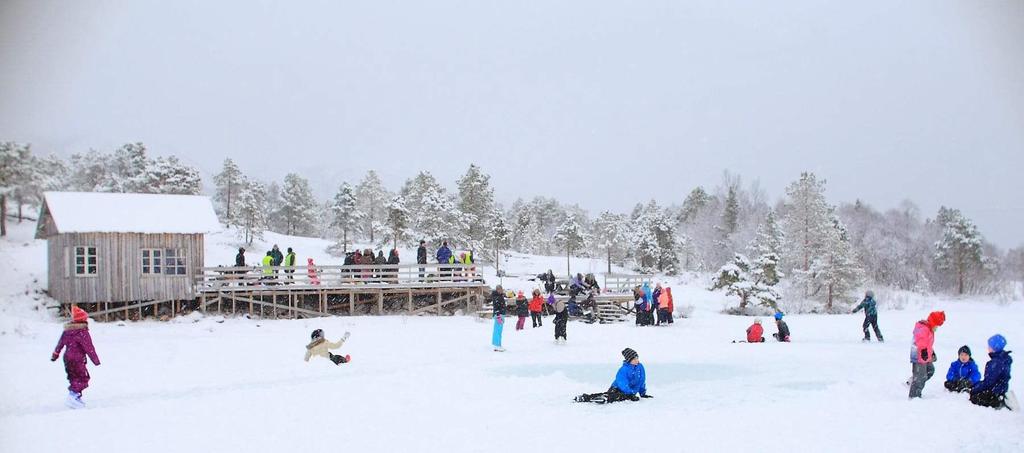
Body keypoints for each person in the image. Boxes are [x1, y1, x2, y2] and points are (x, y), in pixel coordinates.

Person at [51, 306, 100, 409]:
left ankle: (75, 397)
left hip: (67, 358)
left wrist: (55, 355)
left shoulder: (67, 331)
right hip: (77, 359)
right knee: (82, 378)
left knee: (73, 377)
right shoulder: (83, 332)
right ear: (83, 320)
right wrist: (95, 360)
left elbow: (60, 344)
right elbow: (89, 347)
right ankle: (73, 397)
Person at [574, 348, 651, 404]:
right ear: (629, 360)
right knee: (616, 396)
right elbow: (622, 384)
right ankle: (586, 397)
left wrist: (642, 393)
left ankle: (605, 397)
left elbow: (641, 380)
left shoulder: (640, 367)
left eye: (637, 357)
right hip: (617, 388)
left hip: (629, 392)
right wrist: (630, 393)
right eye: (634, 359)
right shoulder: (623, 370)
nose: (637, 360)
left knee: (623, 396)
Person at [970, 334, 1014, 409]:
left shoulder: (995, 363)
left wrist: (974, 389)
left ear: (994, 348)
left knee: (974, 398)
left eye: (989, 346)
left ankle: (997, 401)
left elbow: (989, 382)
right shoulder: (1004, 358)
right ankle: (999, 397)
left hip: (995, 390)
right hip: (1001, 388)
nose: (988, 347)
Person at [909, 311, 945, 399]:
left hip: (924, 356)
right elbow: (921, 341)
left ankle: (913, 381)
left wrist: (931, 352)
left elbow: (928, 344)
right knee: (921, 376)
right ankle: (914, 396)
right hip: (919, 356)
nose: (936, 328)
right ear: (933, 323)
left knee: (930, 370)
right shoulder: (924, 329)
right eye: (936, 326)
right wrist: (924, 351)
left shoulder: (928, 329)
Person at [491, 285, 507, 351]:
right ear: (497, 290)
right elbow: (496, 307)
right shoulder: (496, 297)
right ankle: (496, 345)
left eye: (501, 289)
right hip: (499, 315)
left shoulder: (500, 296)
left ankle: (499, 345)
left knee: (499, 331)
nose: (501, 290)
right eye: (500, 289)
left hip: (501, 314)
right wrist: (498, 315)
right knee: (497, 330)